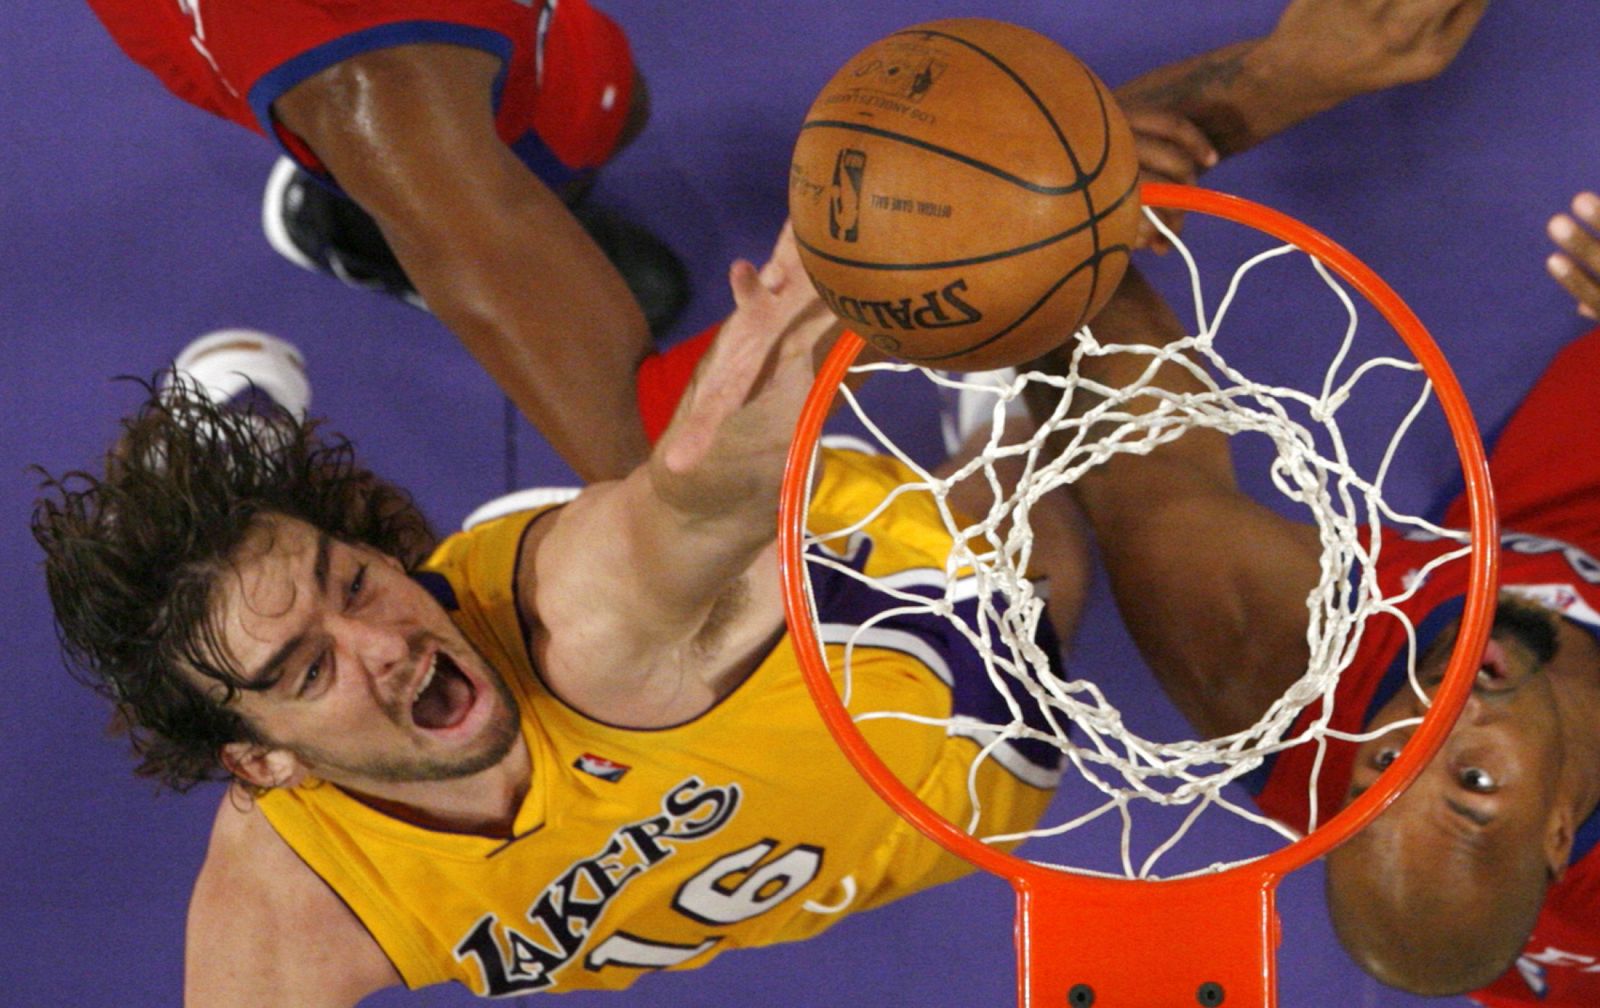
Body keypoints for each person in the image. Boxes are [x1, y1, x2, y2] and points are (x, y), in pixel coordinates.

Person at [31, 226, 1080, 1005]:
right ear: (261, 765)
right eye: (307, 670)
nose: (388, 645)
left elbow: (701, 497)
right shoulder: (297, 904)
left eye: (352, 583)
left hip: (914, 687)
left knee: (1050, 552)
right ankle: (214, 485)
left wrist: (875, 233)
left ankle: (998, 413)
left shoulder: (582, 623)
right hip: (827, 835)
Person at [1041, 209, 1600, 1003]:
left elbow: (1140, 453)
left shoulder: (1284, 675)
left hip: (1530, 521)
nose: (1438, 724)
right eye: (1474, 781)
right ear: (1557, 834)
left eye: (1383, 763)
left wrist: (1047, 225)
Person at [83, 0, 687, 483]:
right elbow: (663, 482)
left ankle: (393, 192)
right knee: (580, 119)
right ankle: (363, 227)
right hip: (365, 71)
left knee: (604, 87)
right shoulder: (376, 79)